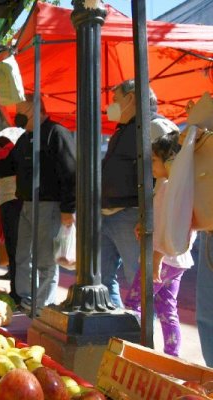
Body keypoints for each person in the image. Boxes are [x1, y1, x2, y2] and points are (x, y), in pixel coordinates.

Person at [0, 94, 76, 311]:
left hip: (49, 206)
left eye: (21, 109)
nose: (17, 114)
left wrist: (69, 208)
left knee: (45, 261)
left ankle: (43, 305)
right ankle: (25, 300)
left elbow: (71, 173)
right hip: (25, 204)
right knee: (22, 256)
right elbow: (5, 167)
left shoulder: (56, 133)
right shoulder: (24, 139)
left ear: (34, 109)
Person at [101, 79, 180, 308]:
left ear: (131, 98)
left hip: (132, 216)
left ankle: (142, 336)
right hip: (109, 214)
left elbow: (172, 173)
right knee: (103, 281)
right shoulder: (124, 129)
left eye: (116, 100)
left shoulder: (156, 127)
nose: (112, 105)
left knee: (139, 281)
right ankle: (117, 331)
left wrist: (150, 215)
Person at [124, 133, 194, 357]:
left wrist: (156, 257)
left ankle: (136, 351)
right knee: (167, 309)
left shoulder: (169, 189)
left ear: (170, 160)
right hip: (176, 261)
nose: (149, 164)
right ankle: (172, 355)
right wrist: (144, 225)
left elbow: (169, 226)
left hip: (161, 258)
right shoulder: (172, 186)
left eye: (154, 160)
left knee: (134, 303)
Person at [0, 136, 24, 302]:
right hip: (23, 203)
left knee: (14, 249)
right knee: (23, 250)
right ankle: (23, 290)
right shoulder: (19, 151)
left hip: (9, 203)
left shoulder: (2, 155)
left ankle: (17, 293)